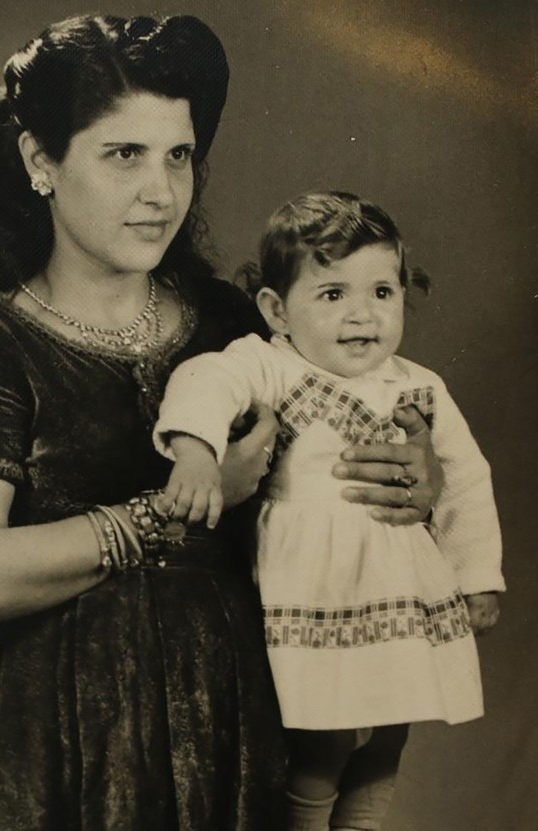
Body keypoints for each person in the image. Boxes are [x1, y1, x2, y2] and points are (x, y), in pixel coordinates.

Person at [0, 14, 441, 830]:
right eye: (124, 154)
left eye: (177, 155)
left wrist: (411, 477)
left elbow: (339, 459)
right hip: (38, 746)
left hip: (227, 728)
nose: (161, 192)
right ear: (41, 161)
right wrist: (174, 506)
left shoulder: (234, 324)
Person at [153, 192, 505, 831]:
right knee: (326, 741)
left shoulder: (417, 387)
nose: (362, 316)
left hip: (399, 582)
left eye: (382, 292)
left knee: (393, 727)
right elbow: (205, 380)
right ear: (277, 311)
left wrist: (476, 573)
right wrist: (196, 451)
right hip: (317, 583)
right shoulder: (272, 365)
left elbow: (463, 480)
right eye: (333, 295)